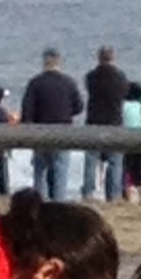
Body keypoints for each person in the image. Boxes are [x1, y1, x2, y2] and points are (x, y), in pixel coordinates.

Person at [21, 49, 81, 200]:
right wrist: (67, 113)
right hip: (63, 130)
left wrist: (28, 128)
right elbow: (79, 106)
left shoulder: (35, 83)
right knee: (60, 168)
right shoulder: (69, 82)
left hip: (40, 130)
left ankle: (40, 202)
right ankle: (59, 201)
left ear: (44, 62)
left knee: (40, 170)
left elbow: (27, 109)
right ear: (58, 62)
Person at [82, 46, 129, 202]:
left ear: (98, 58)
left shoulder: (91, 77)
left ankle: (88, 192)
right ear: (113, 58)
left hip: (94, 121)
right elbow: (124, 92)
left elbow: (88, 87)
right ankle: (114, 194)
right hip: (114, 121)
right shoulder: (120, 77)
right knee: (115, 162)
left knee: (91, 161)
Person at [121, 82, 141, 204]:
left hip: (126, 140)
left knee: (127, 168)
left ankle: (130, 196)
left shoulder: (124, 106)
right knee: (139, 168)